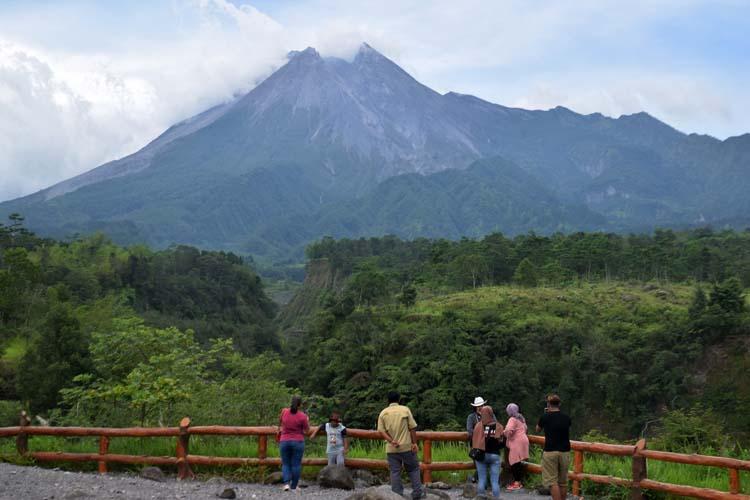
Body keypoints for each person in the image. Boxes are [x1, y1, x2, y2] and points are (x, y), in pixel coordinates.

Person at [377, 391, 425, 499]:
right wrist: (414, 443)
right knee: (413, 469)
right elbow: (412, 427)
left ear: (387, 400)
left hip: (392, 448)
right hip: (406, 446)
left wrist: (391, 440)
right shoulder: (405, 409)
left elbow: (381, 431)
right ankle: (417, 493)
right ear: (399, 399)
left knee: (395, 472)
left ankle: (397, 495)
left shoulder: (383, 413)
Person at [536, 394, 571, 500]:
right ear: (559, 404)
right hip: (565, 451)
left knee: (552, 482)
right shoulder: (566, 418)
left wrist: (544, 415)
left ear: (548, 404)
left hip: (550, 451)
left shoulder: (545, 417)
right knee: (563, 482)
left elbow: (537, 429)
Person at [278, 395, 310, 492]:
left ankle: (286, 484)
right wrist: (307, 419)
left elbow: (280, 422)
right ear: (300, 405)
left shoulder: (284, 412)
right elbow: (307, 430)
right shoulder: (303, 416)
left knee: (286, 463)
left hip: (284, 440)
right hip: (298, 441)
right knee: (296, 464)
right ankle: (294, 486)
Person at [472, 405, 504, 499]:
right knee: (494, 481)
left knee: (482, 480)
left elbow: (474, 440)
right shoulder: (498, 426)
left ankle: (481, 498)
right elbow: (502, 442)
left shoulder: (478, 426)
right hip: (495, 455)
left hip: (481, 455)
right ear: (491, 413)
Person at [504, 402, 530, 491]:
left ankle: (517, 483)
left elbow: (508, 430)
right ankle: (518, 482)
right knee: (518, 462)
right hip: (524, 440)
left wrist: (504, 434)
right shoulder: (521, 418)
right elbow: (525, 429)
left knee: (514, 462)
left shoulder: (512, 419)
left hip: (516, 442)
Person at [466, 396, 486, 483]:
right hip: (476, 445)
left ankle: (476, 479)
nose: (480, 408)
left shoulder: (489, 415)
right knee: (480, 464)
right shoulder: (471, 417)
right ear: (475, 407)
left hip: (487, 444)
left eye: (481, 405)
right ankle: (476, 480)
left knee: (484, 464)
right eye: (478, 406)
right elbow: (469, 430)